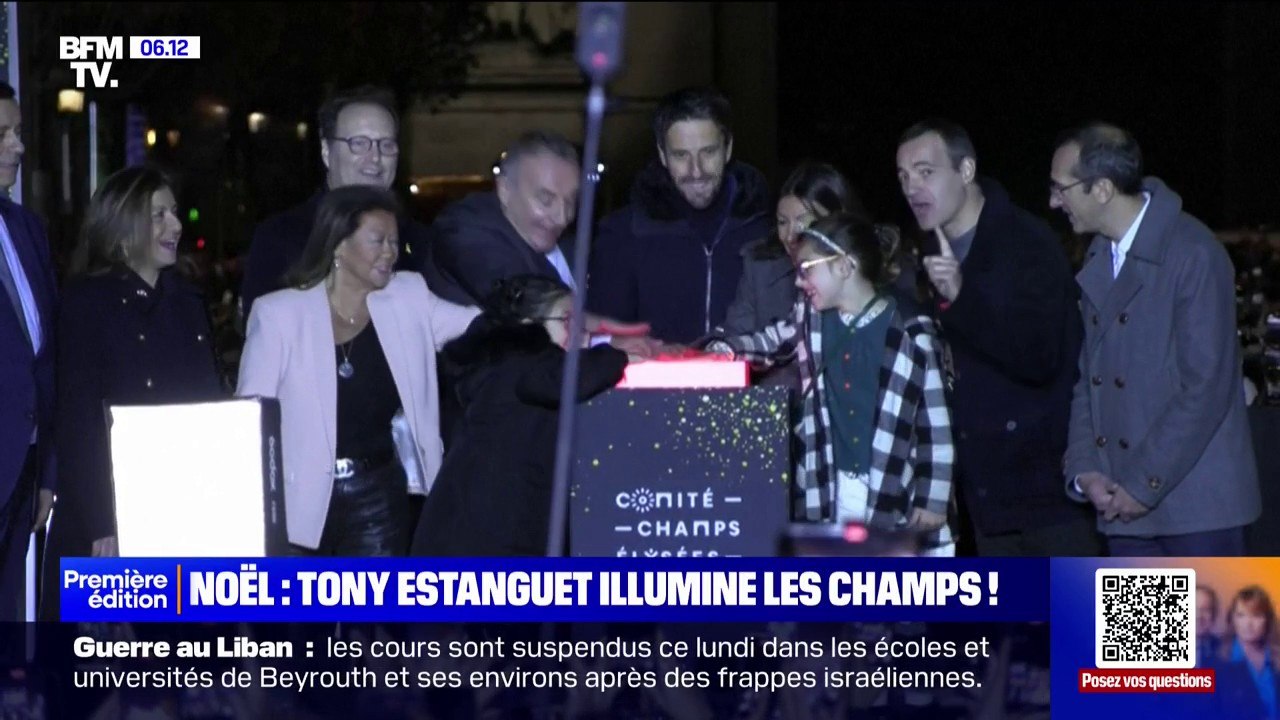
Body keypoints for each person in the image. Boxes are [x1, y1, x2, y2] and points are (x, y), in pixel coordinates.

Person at [1052, 122, 1260, 556]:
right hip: (1123, 509)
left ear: (1102, 189)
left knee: (1213, 629)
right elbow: (1088, 382)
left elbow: (1207, 387)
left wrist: (1143, 483)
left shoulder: (1194, 253)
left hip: (1198, 511)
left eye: (1062, 188)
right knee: (1141, 630)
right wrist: (1085, 469)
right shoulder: (1097, 259)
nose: (1054, 201)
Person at [237, 185, 480, 556]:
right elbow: (250, 419)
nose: (390, 253)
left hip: (378, 496)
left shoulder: (408, 296)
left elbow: (478, 325)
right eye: (377, 240)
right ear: (338, 245)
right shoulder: (279, 314)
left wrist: (554, 321)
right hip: (297, 501)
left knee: (370, 611)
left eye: (394, 242)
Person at [895, 118, 1100, 557]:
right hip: (985, 504)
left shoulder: (1027, 243)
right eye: (904, 176)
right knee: (1009, 627)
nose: (913, 188)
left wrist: (962, 298)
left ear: (966, 171)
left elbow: (1041, 357)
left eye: (926, 172)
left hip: (1051, 498)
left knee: (1083, 625)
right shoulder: (929, 254)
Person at [701, 213, 956, 556]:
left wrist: (933, 497)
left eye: (807, 269)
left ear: (845, 266)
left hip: (896, 491)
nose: (799, 282)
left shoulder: (912, 332)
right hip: (834, 488)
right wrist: (726, 350)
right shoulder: (813, 318)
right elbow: (773, 341)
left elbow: (935, 423)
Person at [40, 166, 225, 618]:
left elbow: (211, 410)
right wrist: (104, 522)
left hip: (185, 507)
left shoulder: (187, 301)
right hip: (109, 512)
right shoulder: (87, 303)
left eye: (174, 213)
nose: (175, 226)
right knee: (101, 671)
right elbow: (79, 421)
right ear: (123, 226)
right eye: (158, 215)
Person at [412, 275, 629, 557]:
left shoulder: (501, 366)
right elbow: (561, 380)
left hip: (480, 532)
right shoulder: (521, 365)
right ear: (529, 326)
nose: (580, 335)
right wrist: (619, 355)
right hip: (480, 540)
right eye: (566, 322)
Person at [587, 86, 772, 344]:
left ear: (728, 148)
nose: (696, 171)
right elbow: (602, 341)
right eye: (681, 155)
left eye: (708, 152)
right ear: (662, 154)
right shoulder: (621, 235)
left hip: (752, 383)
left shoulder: (767, 231)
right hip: (653, 383)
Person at [240, 85, 425, 321]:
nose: (375, 158)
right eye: (359, 143)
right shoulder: (281, 237)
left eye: (386, 145)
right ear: (327, 151)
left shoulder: (418, 242)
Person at [0, 82, 57, 623]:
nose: (17, 146)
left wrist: (49, 473)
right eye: (1, 134)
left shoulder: (27, 229)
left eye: (18, 132)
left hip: (24, 471)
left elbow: (47, 354)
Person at [720, 161, 869, 336]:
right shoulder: (761, 270)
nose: (791, 236)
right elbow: (734, 337)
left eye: (804, 222)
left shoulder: (870, 272)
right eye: (782, 222)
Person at [1213, 585, 1280, 719]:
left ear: (1267, 620)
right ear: (1232, 619)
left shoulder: (1275, 658)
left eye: (1256, 615)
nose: (1248, 624)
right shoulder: (1217, 663)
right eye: (1241, 615)